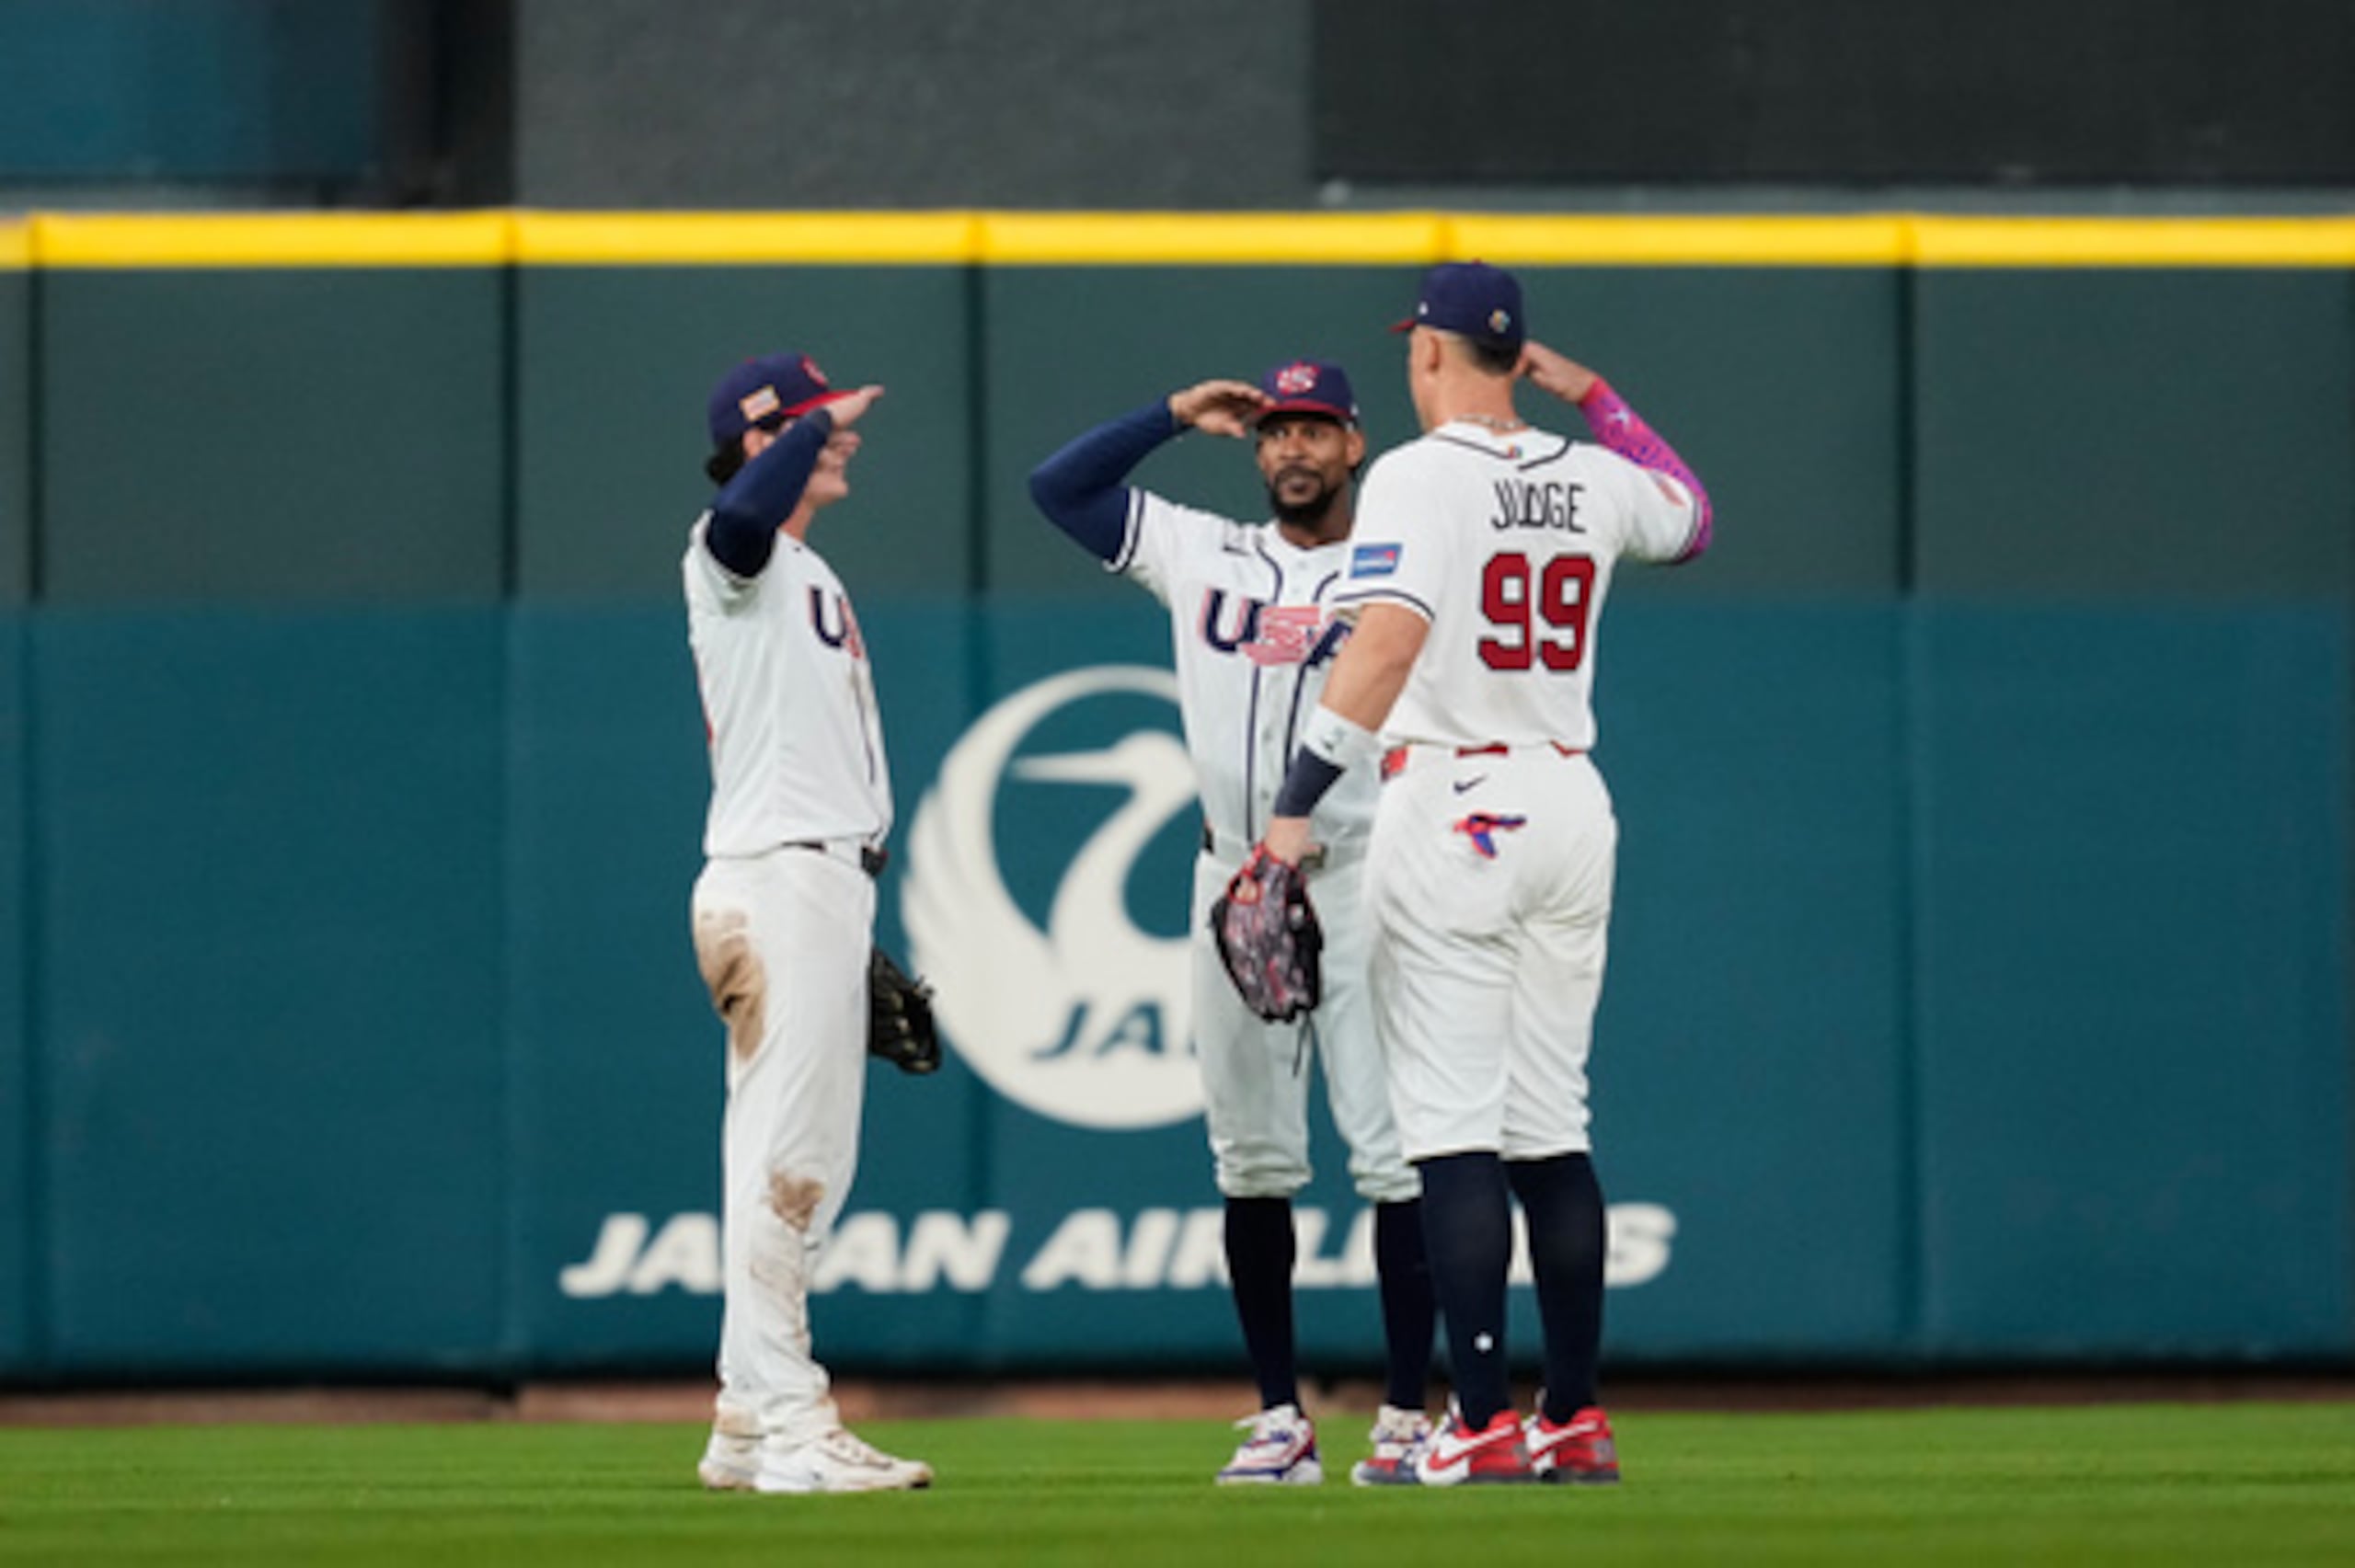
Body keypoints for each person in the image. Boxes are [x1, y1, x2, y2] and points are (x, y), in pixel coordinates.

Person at [1250, 264, 1713, 1485]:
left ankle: (1482, 1421)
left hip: (1454, 792)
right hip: (1570, 795)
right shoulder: (1595, 474)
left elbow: (1389, 639)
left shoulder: (1411, 474)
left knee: (1452, 1128)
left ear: (1429, 357)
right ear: (1521, 355)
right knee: (1551, 1125)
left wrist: (1295, 807)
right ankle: (1574, 1413)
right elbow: (1694, 513)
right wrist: (1600, 395)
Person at [1028, 361, 1439, 1485]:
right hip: (1231, 874)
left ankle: (1407, 1414)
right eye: (1274, 432)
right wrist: (1167, 415)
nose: (1292, 449)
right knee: (1252, 1158)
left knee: (1395, 1154)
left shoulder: (1398, 562)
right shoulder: (1200, 546)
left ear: (1357, 445)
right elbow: (1058, 490)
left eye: (1315, 430)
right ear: (1254, 450)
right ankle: (1279, 1418)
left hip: (1360, 870)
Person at [682, 351, 933, 1494]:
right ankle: (792, 1426)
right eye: (819, 423)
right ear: (765, 435)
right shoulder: (729, 550)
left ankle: (743, 1418)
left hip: (816, 878)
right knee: (789, 1163)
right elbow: (738, 512)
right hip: (780, 875)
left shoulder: (800, 564)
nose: (847, 439)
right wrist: (802, 424)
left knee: (784, 1161)